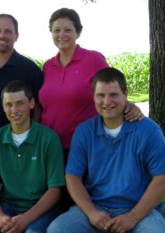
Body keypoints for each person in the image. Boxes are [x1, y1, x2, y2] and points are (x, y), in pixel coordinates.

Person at [47, 67, 165, 233]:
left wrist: (132, 217)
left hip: (139, 211)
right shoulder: (84, 132)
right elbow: (72, 176)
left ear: (125, 95)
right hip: (97, 208)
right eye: (101, 95)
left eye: (113, 95)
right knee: (57, 230)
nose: (107, 101)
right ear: (94, 97)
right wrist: (91, 212)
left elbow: (163, 179)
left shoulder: (149, 130)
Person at [39, 8, 143, 157]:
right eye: (56, 30)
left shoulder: (93, 59)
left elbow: (112, 87)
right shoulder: (48, 66)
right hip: (50, 146)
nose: (61, 35)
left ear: (78, 33)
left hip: (86, 145)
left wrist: (128, 105)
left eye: (68, 30)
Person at [0, 80, 65, 233]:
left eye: (20, 103)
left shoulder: (49, 138)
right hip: (8, 205)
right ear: (3, 107)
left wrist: (26, 219)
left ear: (31, 103)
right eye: (8, 104)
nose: (14, 110)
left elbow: (55, 189)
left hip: (42, 207)